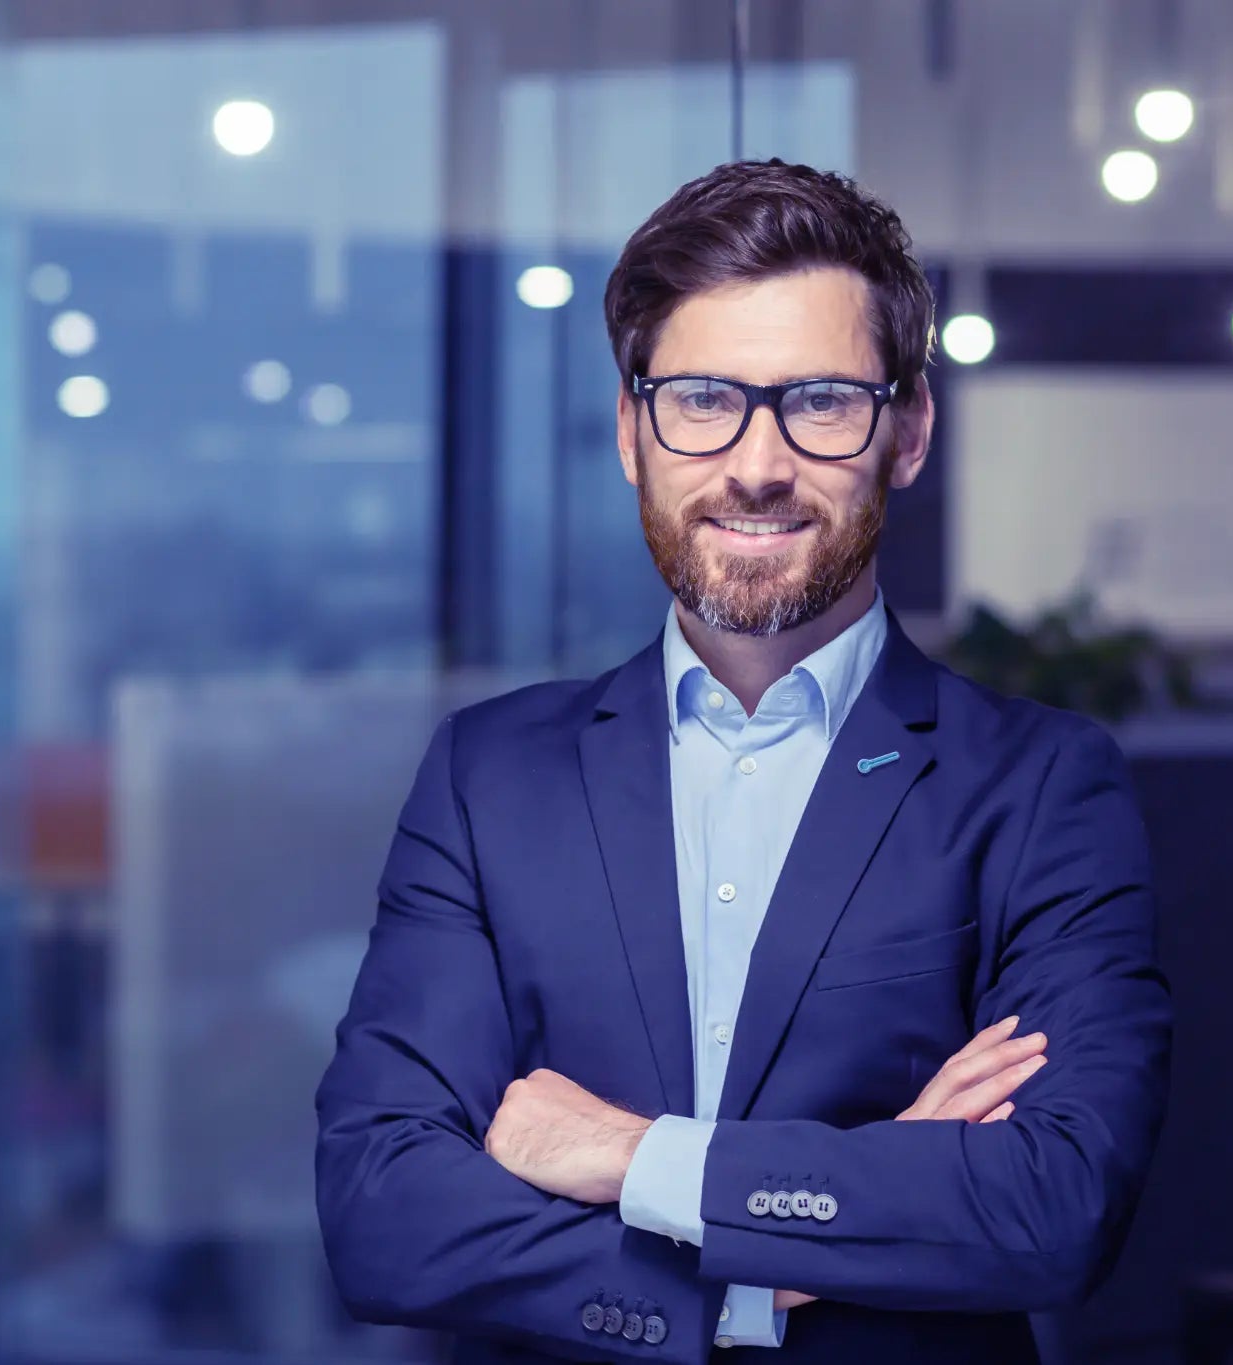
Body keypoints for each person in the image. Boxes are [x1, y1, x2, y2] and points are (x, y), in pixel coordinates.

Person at [314, 159, 1171, 1364]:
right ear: (630, 432)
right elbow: (381, 1212)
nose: (755, 463)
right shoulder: (488, 777)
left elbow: (1049, 1208)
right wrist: (766, 1282)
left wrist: (631, 1158)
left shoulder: (1037, 787)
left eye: (819, 401)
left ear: (907, 430)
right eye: (701, 399)